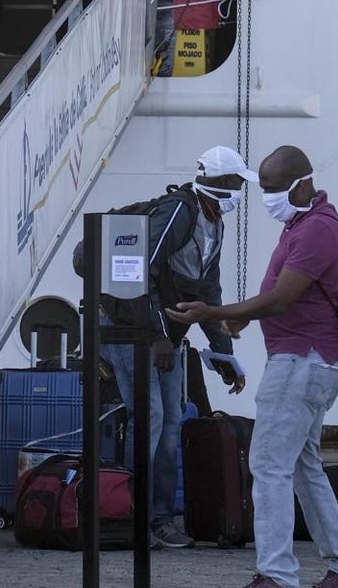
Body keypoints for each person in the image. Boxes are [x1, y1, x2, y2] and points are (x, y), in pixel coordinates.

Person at [167, 146, 338, 588]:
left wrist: (215, 310)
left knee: (268, 466)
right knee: (303, 466)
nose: (269, 199)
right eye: (266, 190)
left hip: (300, 363)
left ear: (303, 183)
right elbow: (283, 299)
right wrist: (241, 317)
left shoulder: (317, 230)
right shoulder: (304, 224)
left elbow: (282, 298)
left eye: (276, 189)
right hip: (310, 360)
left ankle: (277, 576)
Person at [78, 145, 252, 549]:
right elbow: (139, 269)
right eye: (237, 182)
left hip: (163, 335)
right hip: (129, 327)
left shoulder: (214, 223)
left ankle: (158, 519)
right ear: (221, 183)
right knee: (152, 415)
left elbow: (207, 290)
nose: (241, 189)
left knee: (172, 420)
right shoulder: (179, 212)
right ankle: (128, 513)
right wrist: (155, 336)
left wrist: (223, 354)